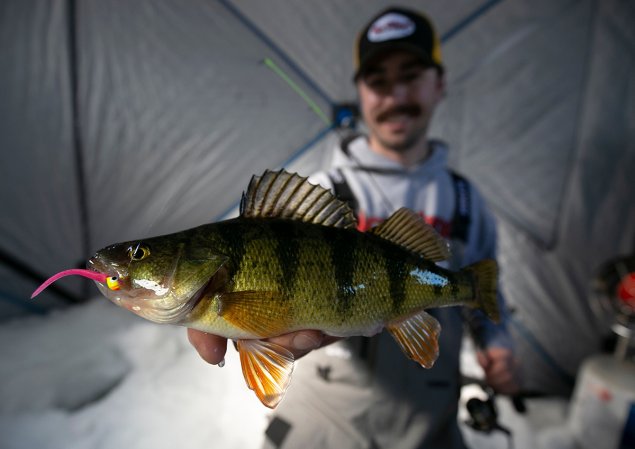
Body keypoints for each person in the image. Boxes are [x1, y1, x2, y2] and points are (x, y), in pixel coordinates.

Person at [188, 6, 518, 448]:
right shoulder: (322, 189)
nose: (395, 94)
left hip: (430, 420)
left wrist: (497, 341)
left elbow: (483, 288)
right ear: (360, 91)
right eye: (378, 81)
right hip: (326, 418)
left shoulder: (466, 199)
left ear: (439, 84)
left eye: (411, 75)